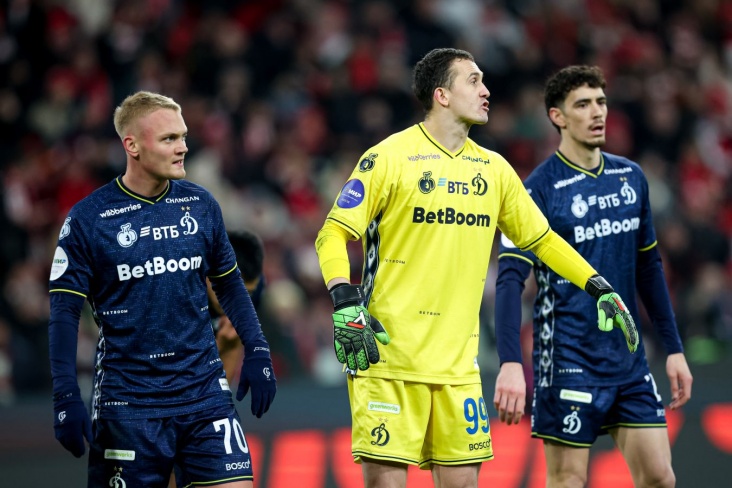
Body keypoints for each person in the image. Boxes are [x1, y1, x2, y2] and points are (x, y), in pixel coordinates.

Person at [314, 48, 638, 488]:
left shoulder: (494, 169)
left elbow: (541, 240)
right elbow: (332, 233)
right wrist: (344, 300)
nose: (486, 90)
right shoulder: (388, 157)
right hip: (388, 359)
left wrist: (599, 286)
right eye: (473, 80)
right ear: (442, 95)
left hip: (459, 368)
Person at [48, 91, 276, 488]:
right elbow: (64, 313)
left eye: (183, 136)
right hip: (129, 404)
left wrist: (257, 349)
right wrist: (66, 394)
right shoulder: (89, 219)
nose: (183, 147)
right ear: (132, 146)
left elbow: (229, 285)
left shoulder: (201, 205)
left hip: (205, 395)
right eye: (169, 138)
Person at [492, 65, 693, 488]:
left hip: (628, 359)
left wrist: (673, 348)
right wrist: (510, 360)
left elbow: (648, 268)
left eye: (601, 102)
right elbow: (510, 278)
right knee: (568, 480)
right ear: (558, 117)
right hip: (567, 360)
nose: (597, 112)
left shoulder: (630, 177)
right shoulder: (538, 189)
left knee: (660, 477)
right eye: (582, 104)